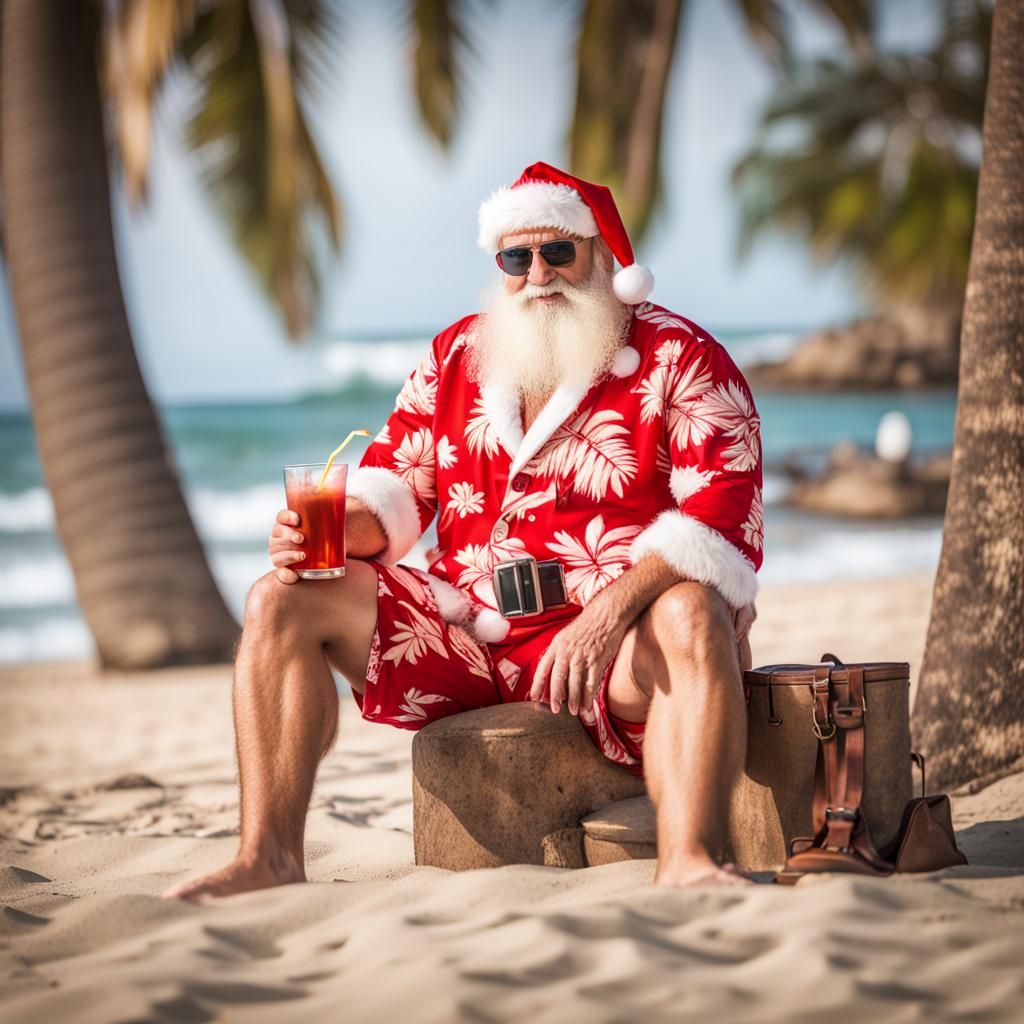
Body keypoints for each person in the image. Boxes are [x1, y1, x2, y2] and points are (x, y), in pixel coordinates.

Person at [163, 161, 763, 902]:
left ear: (602, 256)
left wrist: (610, 613)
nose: (538, 274)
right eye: (517, 257)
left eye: (559, 251)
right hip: (471, 635)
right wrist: (321, 533)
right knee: (278, 598)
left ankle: (690, 859)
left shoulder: (684, 357)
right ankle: (268, 856)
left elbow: (721, 521)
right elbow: (396, 489)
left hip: (614, 654)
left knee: (694, 608)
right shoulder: (457, 356)